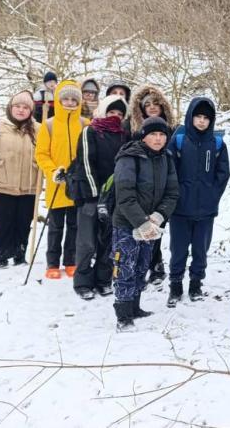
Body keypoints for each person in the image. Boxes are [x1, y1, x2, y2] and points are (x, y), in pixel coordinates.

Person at [111, 116, 179, 331]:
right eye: (153, 134)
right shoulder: (129, 157)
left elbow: (172, 193)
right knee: (125, 267)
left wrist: (158, 216)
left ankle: (135, 306)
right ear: (144, 136)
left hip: (152, 224)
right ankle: (123, 315)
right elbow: (124, 196)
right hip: (127, 224)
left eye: (162, 135)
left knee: (142, 265)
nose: (158, 139)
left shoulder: (166, 158)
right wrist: (142, 222)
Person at [166, 97, 230, 306]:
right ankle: (175, 285)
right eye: (198, 116)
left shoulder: (217, 143)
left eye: (206, 118)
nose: (202, 121)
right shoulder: (178, 140)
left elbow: (223, 174)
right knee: (178, 249)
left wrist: (212, 195)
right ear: (190, 117)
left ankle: (196, 284)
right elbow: (169, 170)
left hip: (205, 210)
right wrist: (175, 195)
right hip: (180, 209)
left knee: (201, 250)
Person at [68, 94, 129, 299]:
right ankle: (83, 281)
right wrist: (95, 194)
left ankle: (103, 279)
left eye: (119, 113)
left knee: (108, 240)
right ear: (103, 111)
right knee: (87, 241)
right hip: (90, 195)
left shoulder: (124, 135)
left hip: (114, 198)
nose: (115, 115)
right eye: (111, 111)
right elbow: (86, 163)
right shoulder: (91, 131)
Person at [0, 91, 40, 267]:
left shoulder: (38, 130)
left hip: (29, 185)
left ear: (31, 111)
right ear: (10, 108)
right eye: (17, 106)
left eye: (25, 107)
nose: (21, 110)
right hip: (2, 184)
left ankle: (19, 255)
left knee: (24, 223)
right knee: (3, 223)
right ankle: (1, 256)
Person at [34, 80, 89, 279]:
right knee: (55, 227)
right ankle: (52, 263)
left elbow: (89, 152)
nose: (70, 102)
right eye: (66, 99)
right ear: (58, 100)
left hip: (77, 184)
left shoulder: (85, 124)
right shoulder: (48, 125)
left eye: (74, 99)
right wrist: (52, 171)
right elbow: (41, 154)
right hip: (56, 183)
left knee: (75, 225)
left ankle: (70, 261)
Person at [126, 85, 176, 284]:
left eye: (156, 103)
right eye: (148, 104)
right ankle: (138, 266)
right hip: (139, 184)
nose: (152, 107)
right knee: (139, 225)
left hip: (164, 182)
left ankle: (155, 264)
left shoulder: (171, 129)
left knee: (158, 225)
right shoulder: (132, 128)